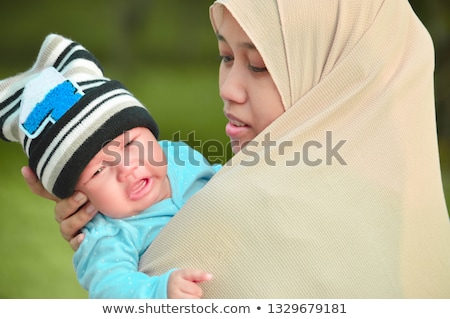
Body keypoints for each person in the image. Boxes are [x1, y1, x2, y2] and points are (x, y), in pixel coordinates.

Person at [22, 0, 450, 298]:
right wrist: (86, 187)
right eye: (225, 56)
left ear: (339, 68)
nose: (228, 89)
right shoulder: (417, 208)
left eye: (260, 65)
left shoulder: (244, 209)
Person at [0, 33, 218, 298]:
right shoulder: (108, 235)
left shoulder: (178, 156)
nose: (125, 169)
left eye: (128, 144)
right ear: (79, 197)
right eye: (98, 170)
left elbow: (226, 180)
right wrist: (159, 292)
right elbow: (111, 289)